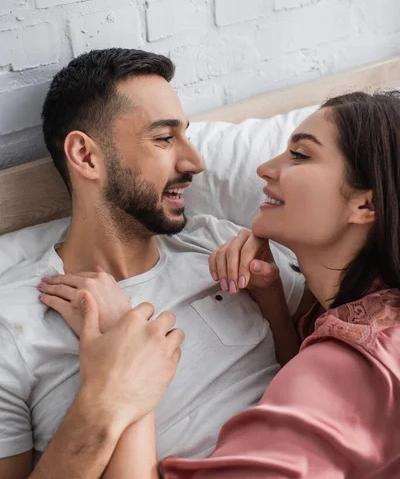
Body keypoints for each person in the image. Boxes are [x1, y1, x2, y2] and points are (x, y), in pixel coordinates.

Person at [41, 89, 400, 478]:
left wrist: (125, 370)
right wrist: (273, 304)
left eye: (300, 154)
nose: (264, 167)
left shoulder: (354, 361)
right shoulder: (346, 313)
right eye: (164, 138)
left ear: (366, 205)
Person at [0, 48, 306, 479]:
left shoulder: (220, 241)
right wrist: (106, 395)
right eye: (164, 139)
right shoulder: (13, 325)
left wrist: (272, 295)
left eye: (186, 135)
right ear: (86, 157)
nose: (195, 162)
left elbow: (313, 374)